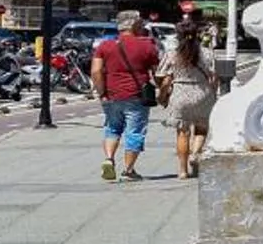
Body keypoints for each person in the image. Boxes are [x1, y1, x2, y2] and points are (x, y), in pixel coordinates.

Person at [92, 11, 162, 182]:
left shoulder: (105, 46)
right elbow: (157, 73)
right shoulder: (147, 46)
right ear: (134, 25)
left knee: (112, 128)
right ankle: (129, 170)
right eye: (140, 24)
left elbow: (95, 71)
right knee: (135, 132)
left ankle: (109, 159)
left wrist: (102, 93)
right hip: (137, 96)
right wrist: (163, 90)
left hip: (111, 95)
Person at [159, 19, 218, 178]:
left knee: (182, 133)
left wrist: (163, 95)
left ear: (178, 36)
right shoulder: (206, 52)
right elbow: (214, 76)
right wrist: (214, 91)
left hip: (180, 94)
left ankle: (183, 171)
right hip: (202, 93)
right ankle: (196, 153)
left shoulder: (172, 54)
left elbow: (163, 76)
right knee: (201, 128)